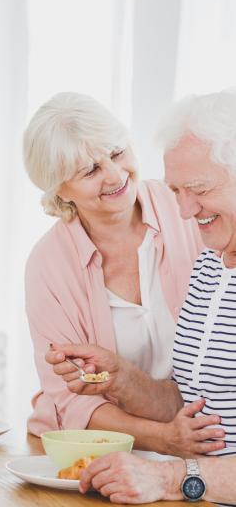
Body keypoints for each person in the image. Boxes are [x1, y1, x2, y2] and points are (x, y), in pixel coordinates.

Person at [47, 89, 236, 504]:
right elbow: (190, 401)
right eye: (176, 191)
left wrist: (170, 478)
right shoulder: (210, 265)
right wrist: (121, 377)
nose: (184, 213)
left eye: (199, 189)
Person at [23, 92, 211, 455]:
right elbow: (73, 401)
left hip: (198, 435)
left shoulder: (186, 209)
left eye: (117, 153)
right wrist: (163, 439)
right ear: (60, 189)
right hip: (97, 448)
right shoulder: (48, 266)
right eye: (90, 171)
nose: (115, 175)